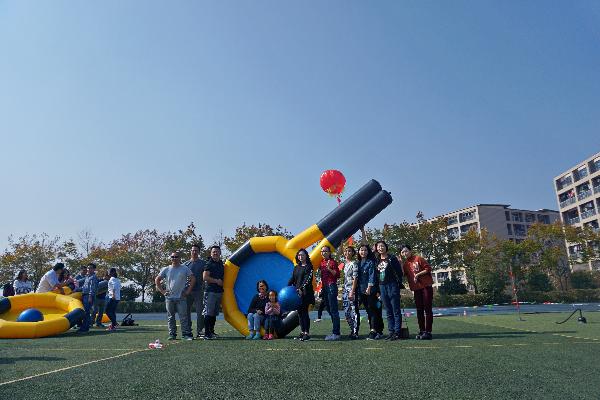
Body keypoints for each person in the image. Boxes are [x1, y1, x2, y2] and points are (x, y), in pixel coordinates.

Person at [156, 252, 195, 340]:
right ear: (170, 258)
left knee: (183, 317)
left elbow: (193, 279)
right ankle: (172, 334)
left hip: (181, 297)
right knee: (170, 317)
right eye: (172, 257)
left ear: (180, 258)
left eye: (176, 257)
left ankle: (185, 334)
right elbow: (157, 279)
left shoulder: (185, 268)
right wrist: (162, 291)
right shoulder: (166, 269)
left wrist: (188, 291)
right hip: (169, 298)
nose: (174, 258)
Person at [401, 245, 434, 340]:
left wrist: (417, 274)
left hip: (426, 287)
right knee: (419, 310)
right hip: (416, 289)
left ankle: (428, 332)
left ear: (410, 251)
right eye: (402, 252)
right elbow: (402, 274)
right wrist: (400, 263)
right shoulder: (405, 264)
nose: (405, 253)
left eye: (406, 251)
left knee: (427, 309)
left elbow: (428, 268)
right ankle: (422, 330)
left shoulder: (418, 258)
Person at [375, 241, 404, 341]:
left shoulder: (392, 258)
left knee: (396, 310)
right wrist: (378, 290)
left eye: (382, 246)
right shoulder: (377, 260)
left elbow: (399, 273)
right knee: (388, 311)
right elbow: (377, 275)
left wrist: (397, 284)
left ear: (386, 247)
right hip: (382, 286)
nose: (380, 248)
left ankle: (397, 332)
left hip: (392, 285)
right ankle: (391, 332)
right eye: (378, 246)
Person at [357, 244, 384, 340]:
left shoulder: (370, 262)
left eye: (365, 250)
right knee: (368, 310)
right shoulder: (358, 263)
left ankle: (374, 331)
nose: (363, 252)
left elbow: (372, 276)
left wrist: (369, 287)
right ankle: (375, 330)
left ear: (368, 252)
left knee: (372, 310)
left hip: (370, 290)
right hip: (361, 290)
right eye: (361, 250)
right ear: (358, 252)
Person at [288, 248, 315, 341]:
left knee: (304, 313)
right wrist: (287, 287)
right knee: (299, 313)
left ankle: (307, 333)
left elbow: (307, 280)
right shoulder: (297, 267)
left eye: (302, 255)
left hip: (306, 293)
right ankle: (302, 332)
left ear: (306, 256)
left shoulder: (309, 267)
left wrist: (301, 288)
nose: (300, 256)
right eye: (299, 255)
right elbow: (292, 278)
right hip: (297, 294)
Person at [202, 245, 224, 340]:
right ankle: (207, 334)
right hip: (210, 291)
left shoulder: (220, 263)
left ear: (220, 253)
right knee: (208, 312)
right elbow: (205, 277)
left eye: (217, 251)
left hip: (219, 291)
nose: (215, 253)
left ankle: (211, 331)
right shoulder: (209, 264)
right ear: (211, 253)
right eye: (213, 252)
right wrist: (216, 281)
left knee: (214, 313)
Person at [185, 244, 207, 338]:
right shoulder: (185, 265)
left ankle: (200, 331)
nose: (194, 252)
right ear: (190, 251)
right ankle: (188, 331)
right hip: (187, 292)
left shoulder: (203, 263)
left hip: (199, 291)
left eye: (196, 250)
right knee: (186, 312)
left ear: (199, 252)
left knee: (200, 312)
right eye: (192, 250)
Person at [319, 245, 341, 341]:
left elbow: (337, 275)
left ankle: (336, 333)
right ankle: (335, 331)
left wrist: (329, 269)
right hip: (324, 287)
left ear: (329, 252)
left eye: (325, 251)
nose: (324, 253)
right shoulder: (321, 262)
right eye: (322, 251)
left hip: (331, 286)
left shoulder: (332, 262)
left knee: (333, 310)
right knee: (328, 309)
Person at [342, 246, 360, 339]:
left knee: (354, 311)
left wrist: (352, 291)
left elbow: (355, 278)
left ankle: (355, 332)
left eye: (349, 251)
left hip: (352, 290)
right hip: (345, 290)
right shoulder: (345, 264)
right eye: (346, 251)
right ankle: (352, 329)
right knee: (347, 312)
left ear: (353, 253)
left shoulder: (354, 264)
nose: (347, 253)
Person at [78, 263, 99, 333]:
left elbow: (92, 288)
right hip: (84, 295)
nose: (88, 269)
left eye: (90, 268)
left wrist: (90, 296)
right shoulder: (87, 276)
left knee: (86, 312)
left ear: (94, 269)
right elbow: (84, 286)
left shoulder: (93, 277)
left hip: (88, 296)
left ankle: (84, 328)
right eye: (88, 268)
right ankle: (85, 327)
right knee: (86, 312)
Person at [105, 267, 121, 331]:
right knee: (112, 311)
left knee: (107, 311)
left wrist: (113, 295)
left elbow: (114, 287)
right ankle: (113, 325)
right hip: (117, 298)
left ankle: (114, 323)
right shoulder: (117, 279)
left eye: (109, 271)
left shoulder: (112, 279)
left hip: (113, 297)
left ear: (113, 272)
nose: (108, 273)